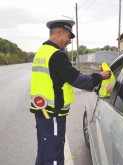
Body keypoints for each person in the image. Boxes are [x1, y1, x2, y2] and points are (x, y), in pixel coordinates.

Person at [30, 19, 111, 165]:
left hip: (41, 111)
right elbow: (79, 80)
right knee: (54, 157)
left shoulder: (41, 52)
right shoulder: (57, 55)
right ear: (59, 32)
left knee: (43, 152)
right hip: (53, 114)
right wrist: (100, 76)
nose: (69, 41)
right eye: (68, 37)